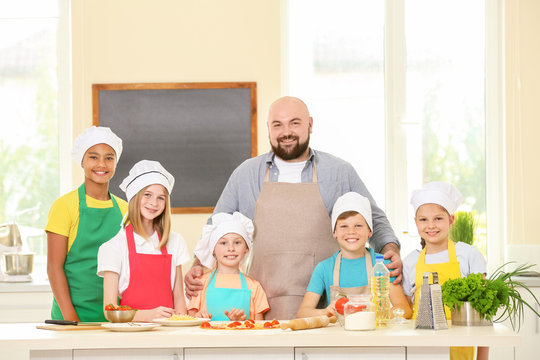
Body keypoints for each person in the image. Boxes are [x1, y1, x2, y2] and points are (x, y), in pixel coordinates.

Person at [186, 96, 402, 320]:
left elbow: (374, 219)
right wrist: (199, 265)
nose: (286, 131)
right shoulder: (246, 174)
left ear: (310, 124)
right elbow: (216, 226)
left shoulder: (340, 172)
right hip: (263, 304)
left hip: (327, 307)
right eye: (277, 124)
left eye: (295, 123)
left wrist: (391, 250)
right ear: (268, 129)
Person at [46, 126, 126, 322]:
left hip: (115, 318)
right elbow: (54, 268)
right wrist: (72, 319)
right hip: (72, 316)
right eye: (93, 157)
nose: (101, 164)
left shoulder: (125, 209)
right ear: (81, 161)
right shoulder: (64, 206)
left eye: (109, 157)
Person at [402, 181, 487, 360]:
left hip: (460, 343)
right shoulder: (410, 261)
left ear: (451, 220)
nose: (431, 225)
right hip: (421, 346)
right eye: (423, 219)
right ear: (416, 222)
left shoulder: (469, 255)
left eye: (438, 218)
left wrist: (482, 357)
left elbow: (483, 312)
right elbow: (406, 311)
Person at [97, 160, 190, 321]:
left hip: (167, 333)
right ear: (135, 197)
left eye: (161, 198)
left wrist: (182, 328)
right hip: (131, 336)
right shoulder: (113, 247)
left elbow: (179, 299)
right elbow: (109, 310)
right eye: (147, 195)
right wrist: (149, 315)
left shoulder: (175, 242)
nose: (154, 203)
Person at [297, 192, 412, 319]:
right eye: (344, 226)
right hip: (337, 337)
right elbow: (303, 312)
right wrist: (325, 312)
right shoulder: (324, 268)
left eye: (358, 226)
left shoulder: (382, 265)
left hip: (374, 336)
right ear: (334, 232)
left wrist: (373, 316)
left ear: (370, 231)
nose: (351, 232)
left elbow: (405, 309)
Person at [187, 212, 269, 321]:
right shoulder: (200, 284)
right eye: (223, 243)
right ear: (213, 250)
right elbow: (189, 323)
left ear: (246, 249)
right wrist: (198, 318)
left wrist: (241, 322)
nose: (231, 248)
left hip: (242, 338)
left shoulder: (254, 287)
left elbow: (260, 328)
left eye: (237, 242)